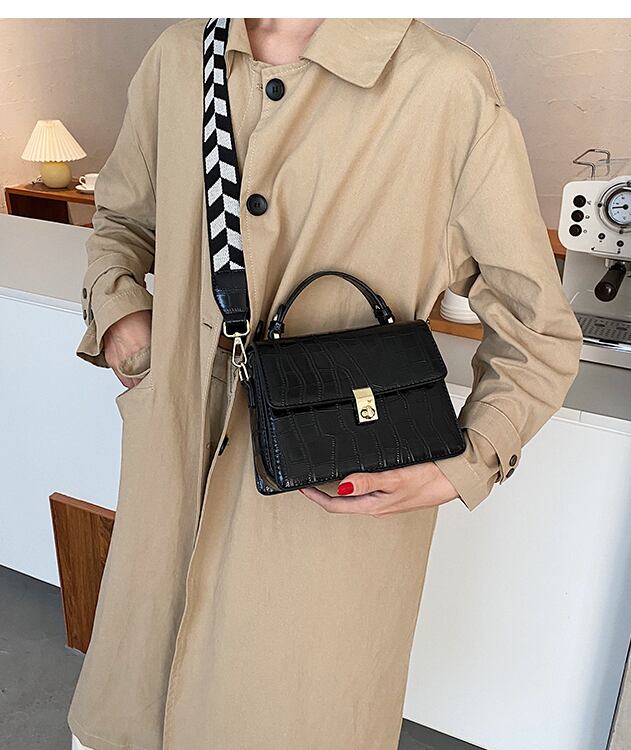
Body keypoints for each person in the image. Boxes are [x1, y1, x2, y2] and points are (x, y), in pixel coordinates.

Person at [69, 17, 582, 750]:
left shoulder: (444, 88)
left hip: (327, 534)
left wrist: (464, 462)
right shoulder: (179, 58)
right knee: (133, 708)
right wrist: (121, 313)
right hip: (169, 490)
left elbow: (539, 330)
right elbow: (121, 218)